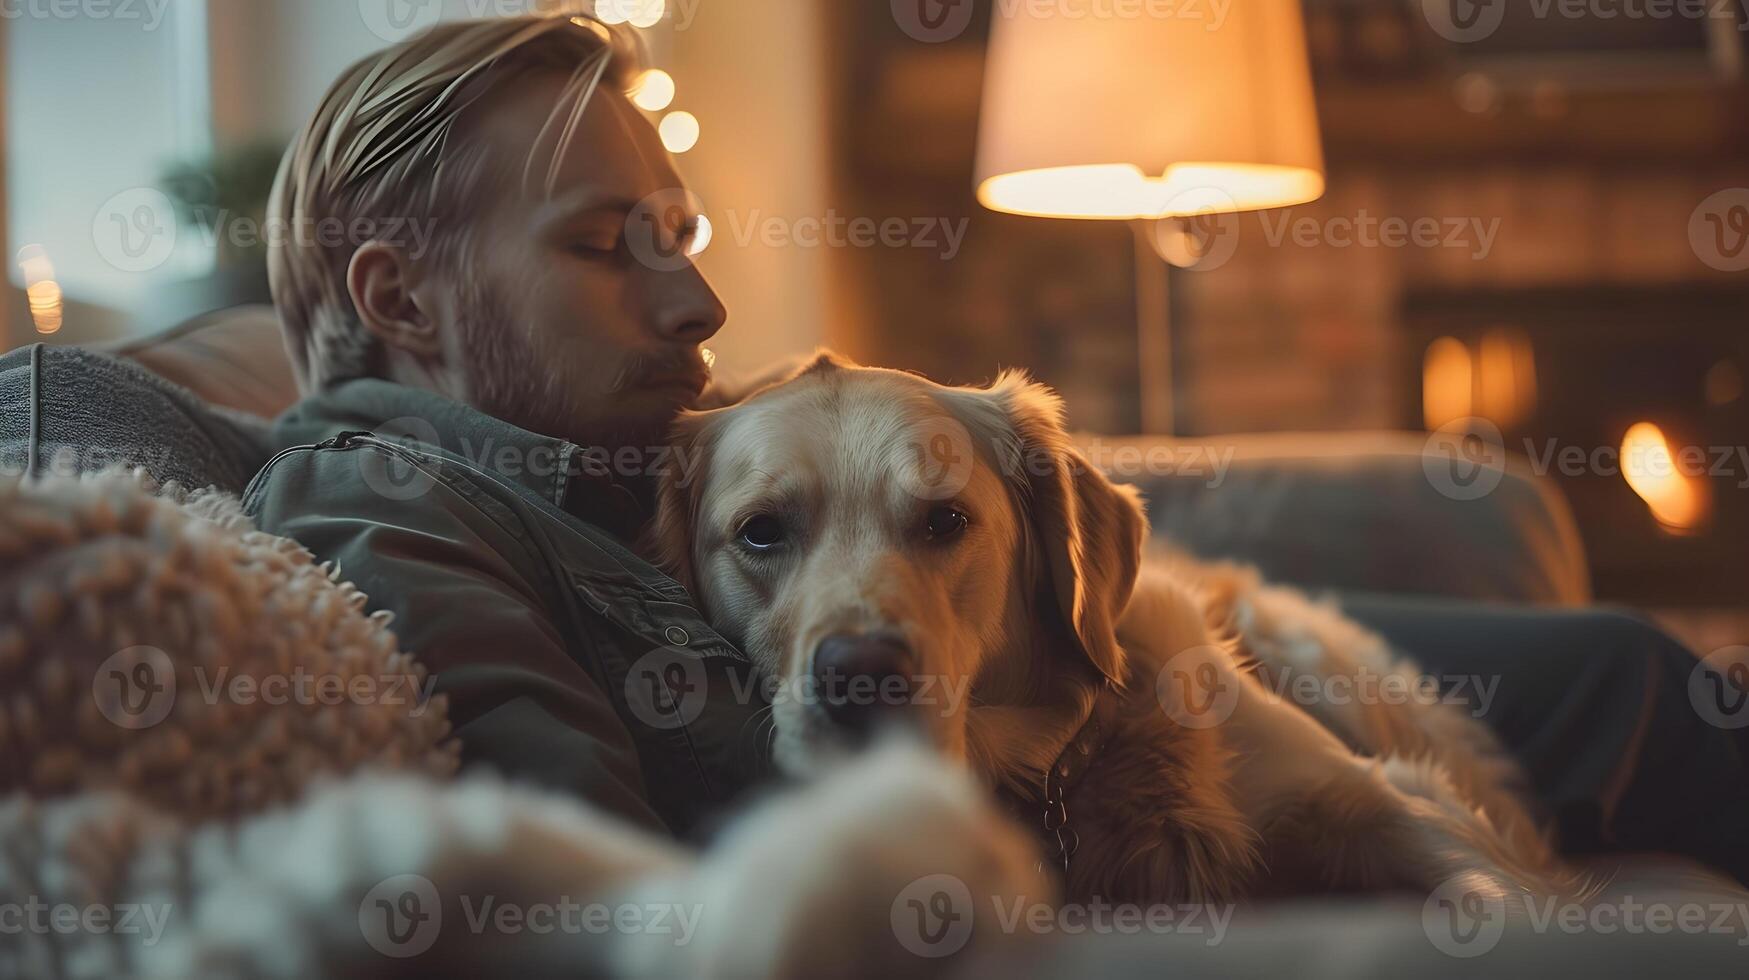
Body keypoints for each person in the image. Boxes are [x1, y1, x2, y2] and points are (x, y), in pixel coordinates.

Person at [243, 15, 1747, 878]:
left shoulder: (611, 445)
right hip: (1046, 757)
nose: (699, 299)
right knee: (1638, 693)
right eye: (601, 247)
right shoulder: (387, 506)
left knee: (1638, 675)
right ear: (400, 298)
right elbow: (594, 882)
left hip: (1131, 655)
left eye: (682, 239)